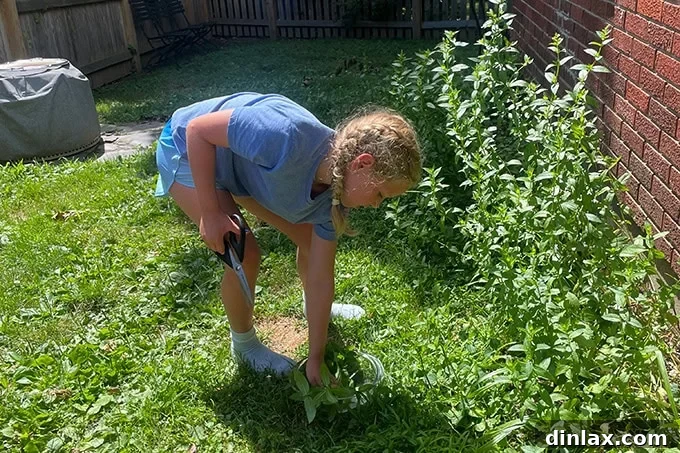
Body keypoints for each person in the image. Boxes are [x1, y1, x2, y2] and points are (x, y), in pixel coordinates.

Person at [154, 92, 421, 385]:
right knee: (245, 253)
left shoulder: (331, 200)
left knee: (310, 240)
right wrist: (210, 212)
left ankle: (313, 308)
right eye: (380, 194)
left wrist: (315, 358)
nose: (376, 205)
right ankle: (244, 346)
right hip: (188, 149)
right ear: (362, 163)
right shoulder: (285, 134)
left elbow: (321, 277)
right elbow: (198, 131)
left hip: (241, 167)